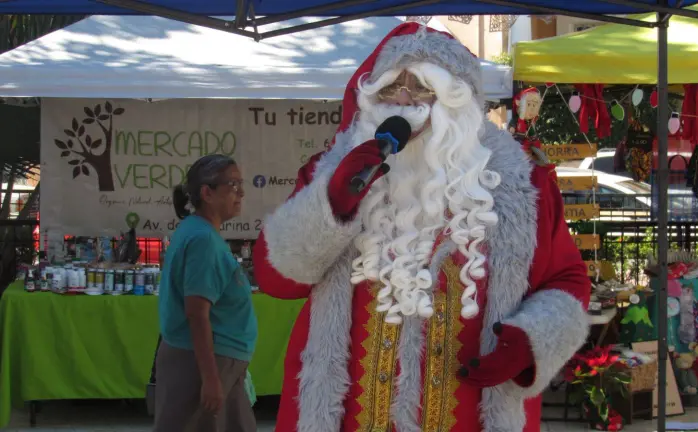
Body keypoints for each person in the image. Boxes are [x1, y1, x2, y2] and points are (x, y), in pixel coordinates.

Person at [253, 23, 590, 432]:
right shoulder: (330, 176)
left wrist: (532, 341)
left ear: (458, 101)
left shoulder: (523, 187)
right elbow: (276, 280)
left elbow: (567, 280)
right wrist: (330, 205)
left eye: (423, 88)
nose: (403, 100)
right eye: (390, 88)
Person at [154, 154, 257, 432]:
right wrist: (210, 378)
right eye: (232, 184)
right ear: (207, 193)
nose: (241, 192)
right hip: (202, 362)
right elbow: (197, 314)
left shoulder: (197, 230)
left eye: (241, 184)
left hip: (215, 360)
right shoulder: (203, 240)